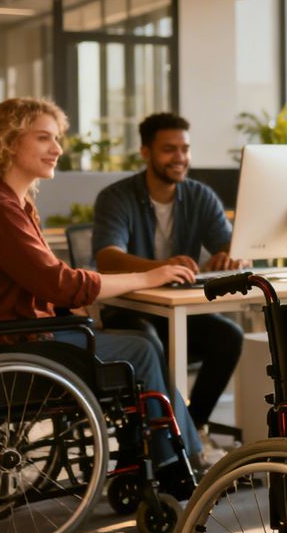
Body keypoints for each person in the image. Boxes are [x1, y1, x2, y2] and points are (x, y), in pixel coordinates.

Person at [0, 97, 206, 492]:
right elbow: (61, 284)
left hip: (14, 336)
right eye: (44, 138)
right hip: (18, 345)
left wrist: (77, 299)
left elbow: (46, 284)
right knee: (140, 348)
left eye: (57, 138)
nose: (57, 149)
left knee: (142, 338)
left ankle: (165, 456)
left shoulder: (11, 203)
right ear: (9, 142)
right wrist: (148, 276)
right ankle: (175, 463)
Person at [92, 112, 244, 441]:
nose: (180, 157)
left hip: (176, 311)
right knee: (149, 341)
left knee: (228, 337)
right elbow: (107, 258)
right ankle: (159, 436)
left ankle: (190, 430)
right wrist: (161, 269)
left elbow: (230, 244)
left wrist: (230, 255)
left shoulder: (200, 196)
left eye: (185, 149)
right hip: (129, 310)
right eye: (169, 149)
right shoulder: (116, 197)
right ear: (145, 152)